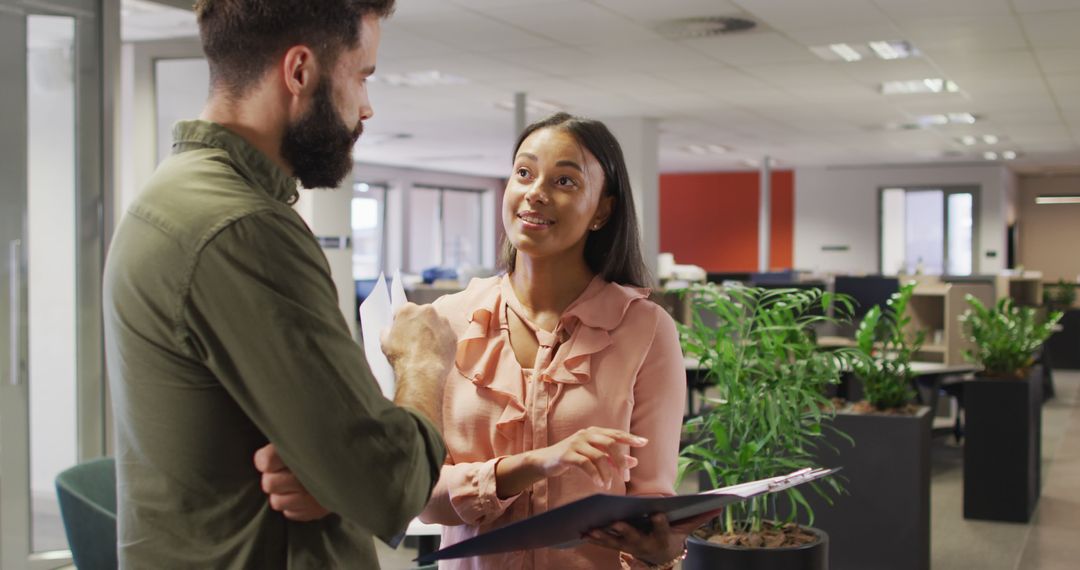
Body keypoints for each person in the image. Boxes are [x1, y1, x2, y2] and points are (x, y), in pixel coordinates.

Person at [258, 113, 717, 569]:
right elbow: (416, 494)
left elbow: (654, 498)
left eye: (564, 181)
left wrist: (662, 549)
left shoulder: (644, 328)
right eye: (524, 172)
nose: (535, 192)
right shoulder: (444, 323)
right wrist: (532, 465)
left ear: (602, 210)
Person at [102, 0, 455, 567]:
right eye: (361, 76)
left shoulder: (172, 198)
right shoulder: (244, 228)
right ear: (299, 71)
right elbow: (391, 483)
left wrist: (331, 468)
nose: (366, 108)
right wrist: (423, 364)